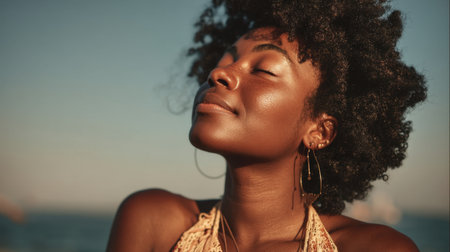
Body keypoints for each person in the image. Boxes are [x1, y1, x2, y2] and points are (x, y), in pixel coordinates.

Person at [106, 0, 427, 251]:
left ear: (319, 131)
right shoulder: (152, 221)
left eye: (263, 70)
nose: (218, 75)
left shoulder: (376, 248)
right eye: (222, 62)